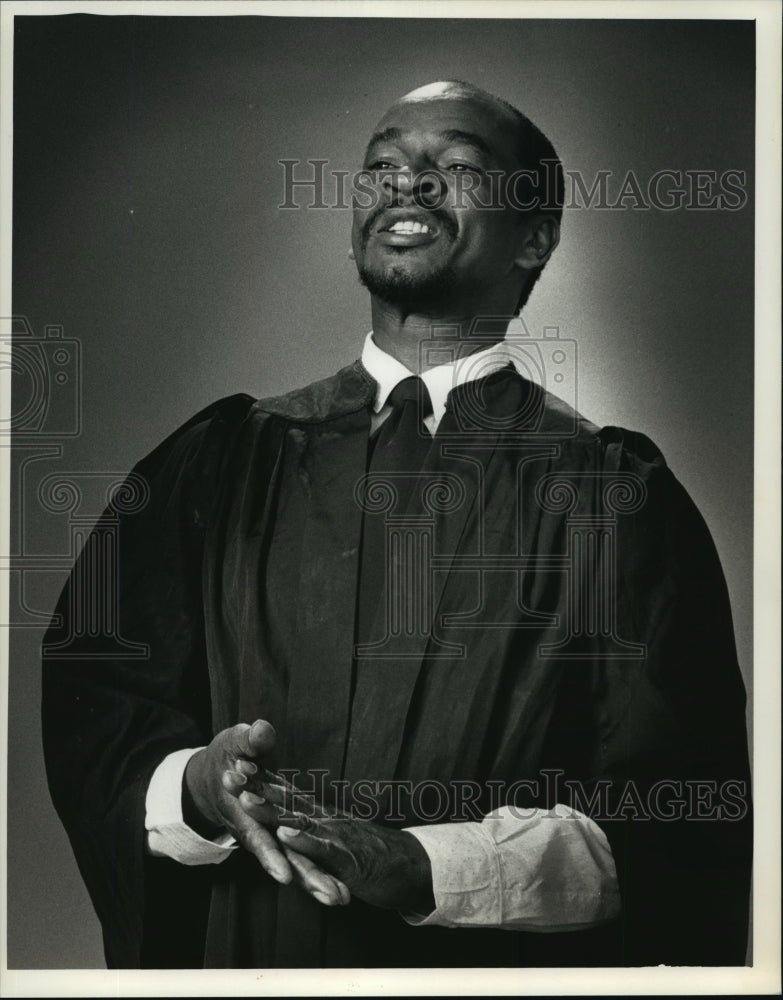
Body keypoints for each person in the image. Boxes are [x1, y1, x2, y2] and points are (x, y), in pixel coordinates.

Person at [42, 80, 751, 970]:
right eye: (382, 164)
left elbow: (675, 821)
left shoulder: (611, 492)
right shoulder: (219, 462)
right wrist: (195, 786)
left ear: (535, 236)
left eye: (454, 166)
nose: (406, 183)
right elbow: (101, 720)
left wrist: (422, 867)